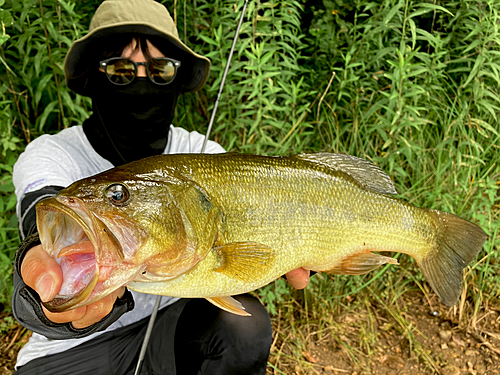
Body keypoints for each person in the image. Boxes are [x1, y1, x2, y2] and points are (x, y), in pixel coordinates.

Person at [12, 1, 310, 374]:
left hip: (172, 334)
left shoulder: (205, 158)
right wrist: (37, 263)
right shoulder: (52, 153)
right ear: (92, 77)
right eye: (120, 70)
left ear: (177, 79)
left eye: (160, 70)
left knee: (242, 327)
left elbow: (249, 254)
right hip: (70, 352)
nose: (141, 82)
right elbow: (37, 217)